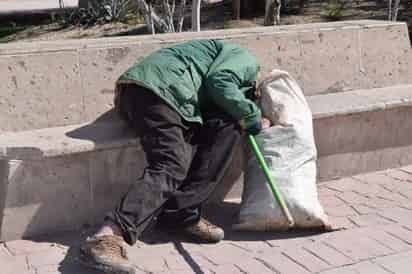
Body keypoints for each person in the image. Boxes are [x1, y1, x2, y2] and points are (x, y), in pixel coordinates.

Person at [80, 39, 270, 274]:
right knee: (170, 164)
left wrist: (239, 118)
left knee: (227, 126)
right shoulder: (247, 61)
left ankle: (181, 214)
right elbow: (219, 81)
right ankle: (106, 236)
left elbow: (216, 100)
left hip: (163, 96)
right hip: (158, 91)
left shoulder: (211, 72)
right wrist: (251, 114)